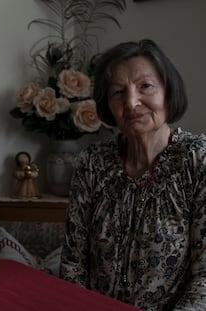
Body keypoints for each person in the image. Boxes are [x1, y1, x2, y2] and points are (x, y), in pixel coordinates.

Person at [59, 39, 206, 310]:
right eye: (118, 92)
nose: (132, 101)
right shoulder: (92, 163)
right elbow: (73, 264)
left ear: (168, 91)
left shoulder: (197, 160)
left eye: (145, 86)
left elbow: (204, 279)